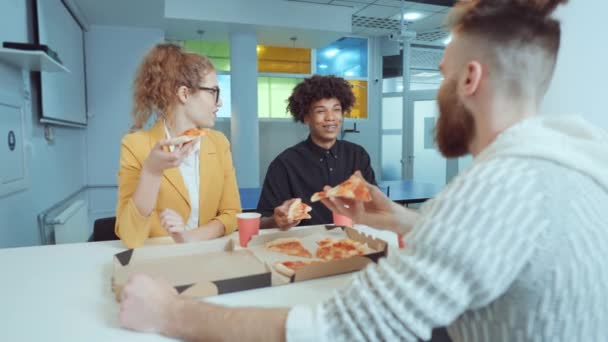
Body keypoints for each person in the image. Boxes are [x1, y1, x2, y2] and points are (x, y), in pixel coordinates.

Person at [118, 0, 608, 340]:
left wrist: (172, 312)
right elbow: (490, 240)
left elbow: (339, 330)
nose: (439, 92)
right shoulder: (575, 165)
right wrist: (395, 218)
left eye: (441, 76)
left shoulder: (495, 188)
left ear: (470, 78)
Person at [115, 44, 241, 249]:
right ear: (184, 94)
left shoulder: (219, 143)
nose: (219, 103)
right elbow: (130, 237)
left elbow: (232, 214)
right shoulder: (135, 145)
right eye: (213, 92)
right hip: (160, 265)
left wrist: (190, 237)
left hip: (210, 256)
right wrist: (152, 172)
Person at [257, 75, 377, 230]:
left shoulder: (358, 155)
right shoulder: (285, 164)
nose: (330, 118)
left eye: (336, 110)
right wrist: (277, 220)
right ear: (306, 116)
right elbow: (263, 221)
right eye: (321, 111)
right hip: (303, 246)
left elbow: (373, 205)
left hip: (352, 241)